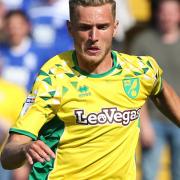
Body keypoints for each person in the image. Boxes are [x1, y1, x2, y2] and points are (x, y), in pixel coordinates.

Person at [0, 0, 180, 179]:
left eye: (102, 27)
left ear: (115, 27)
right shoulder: (53, 77)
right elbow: (8, 156)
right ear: (70, 28)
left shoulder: (140, 70)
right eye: (85, 27)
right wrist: (25, 148)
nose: (93, 36)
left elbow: (161, 90)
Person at [130, 0, 180, 179]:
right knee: (149, 174)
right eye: (164, 12)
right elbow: (135, 87)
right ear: (157, 13)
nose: (168, 17)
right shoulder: (142, 42)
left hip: (178, 119)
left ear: (179, 14)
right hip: (153, 121)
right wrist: (144, 124)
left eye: (172, 12)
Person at [0, 10, 51, 92]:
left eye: (18, 26)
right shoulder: (1, 51)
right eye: (10, 26)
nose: (14, 31)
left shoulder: (41, 54)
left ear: (28, 26)